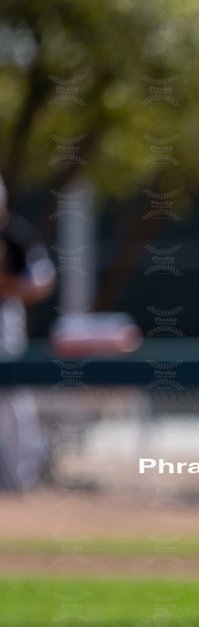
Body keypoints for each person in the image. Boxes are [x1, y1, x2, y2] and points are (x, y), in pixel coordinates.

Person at [0, 175, 56, 488]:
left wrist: (8, 285)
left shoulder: (17, 237)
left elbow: (43, 282)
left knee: (12, 397)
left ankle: (19, 477)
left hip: (4, 319)